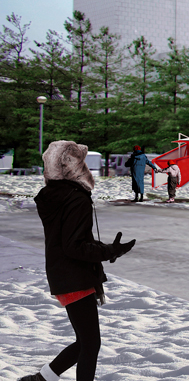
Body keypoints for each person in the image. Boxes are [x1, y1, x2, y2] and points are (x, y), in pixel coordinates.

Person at [19, 141, 136, 381]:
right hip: (75, 276)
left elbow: (70, 240)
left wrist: (107, 249)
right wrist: (108, 251)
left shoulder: (55, 197)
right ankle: (40, 379)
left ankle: (41, 379)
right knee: (90, 344)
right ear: (75, 166)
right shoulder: (77, 199)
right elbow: (75, 246)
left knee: (85, 341)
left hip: (62, 274)